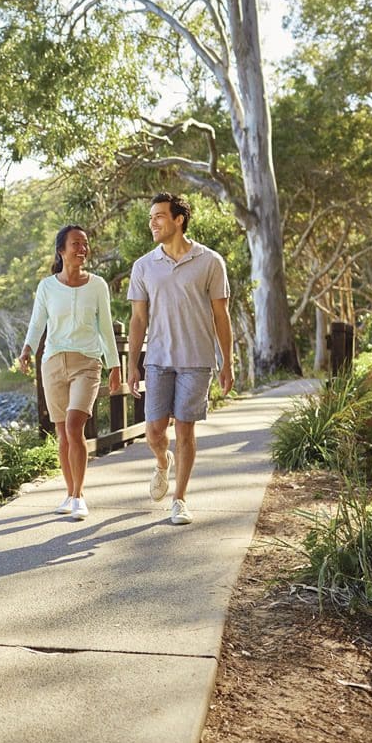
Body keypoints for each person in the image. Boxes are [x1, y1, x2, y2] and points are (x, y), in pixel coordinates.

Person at [126, 193, 233, 525]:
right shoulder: (143, 266)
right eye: (150, 218)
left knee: (185, 430)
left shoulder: (210, 261)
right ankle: (162, 463)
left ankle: (180, 500)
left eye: (159, 216)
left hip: (197, 360)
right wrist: (132, 363)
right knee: (154, 432)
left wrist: (227, 361)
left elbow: (221, 314)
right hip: (157, 359)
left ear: (179, 219)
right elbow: (138, 320)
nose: (153, 223)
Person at [19, 225, 122, 520]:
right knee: (62, 433)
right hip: (52, 362)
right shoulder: (47, 287)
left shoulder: (98, 285)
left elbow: (105, 327)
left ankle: (79, 496)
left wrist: (115, 366)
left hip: (87, 362)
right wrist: (27, 349)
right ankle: (69, 492)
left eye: (85, 244)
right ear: (61, 250)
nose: (82, 248)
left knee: (75, 427)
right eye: (76, 243)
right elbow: (38, 323)